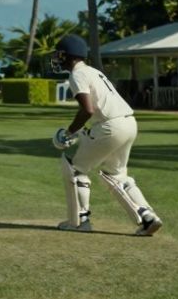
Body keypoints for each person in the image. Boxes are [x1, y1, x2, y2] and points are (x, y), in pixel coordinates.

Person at [50, 35, 162, 236]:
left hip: (110, 126)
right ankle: (147, 217)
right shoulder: (92, 71)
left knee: (75, 169)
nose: (58, 59)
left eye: (60, 55)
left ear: (69, 56)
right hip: (129, 122)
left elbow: (88, 110)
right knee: (116, 175)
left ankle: (79, 221)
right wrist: (81, 133)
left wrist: (69, 132)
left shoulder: (77, 75)